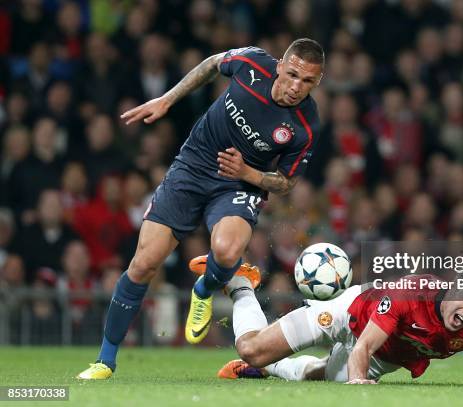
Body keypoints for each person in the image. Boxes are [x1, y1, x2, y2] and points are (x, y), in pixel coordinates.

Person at [77, 38, 324, 379]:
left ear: (318, 81)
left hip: (238, 184)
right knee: (144, 262)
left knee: (226, 251)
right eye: (293, 74)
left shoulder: (306, 126)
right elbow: (210, 65)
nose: (297, 86)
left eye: (308, 81)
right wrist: (167, 99)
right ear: (281, 64)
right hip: (192, 167)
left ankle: (204, 288)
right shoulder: (252, 63)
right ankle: (105, 361)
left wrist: (247, 173)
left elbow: (286, 182)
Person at [215, 265, 463, 386]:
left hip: (387, 355)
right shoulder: (411, 294)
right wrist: (358, 381)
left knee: (318, 376)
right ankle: (241, 284)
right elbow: (363, 345)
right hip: (348, 313)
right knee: (251, 349)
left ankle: (272, 368)